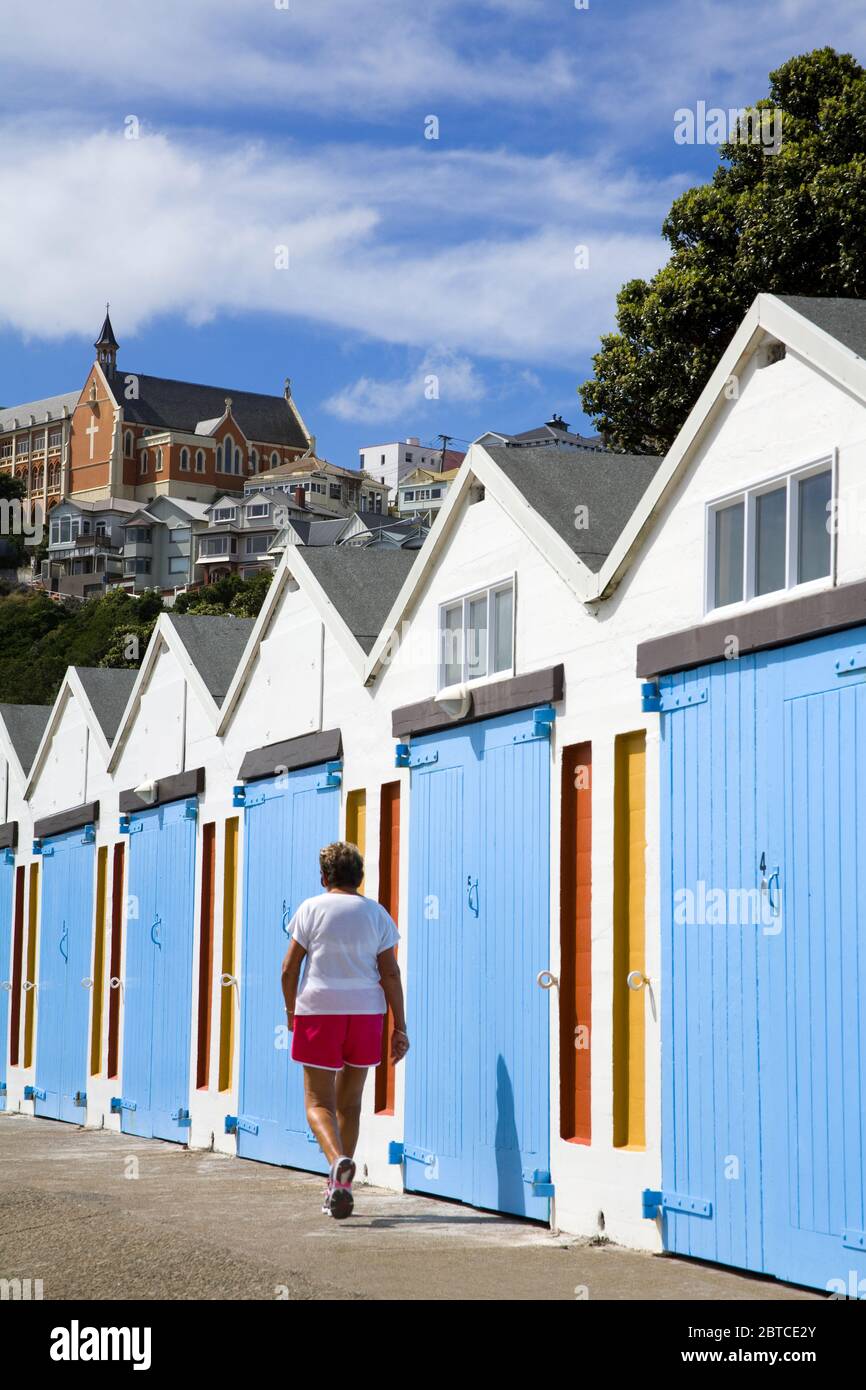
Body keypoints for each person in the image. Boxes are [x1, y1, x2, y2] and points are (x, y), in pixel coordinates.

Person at [281, 841, 409, 1219]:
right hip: (366, 1014)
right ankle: (339, 1185)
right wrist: (399, 1026)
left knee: (318, 1102)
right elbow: (390, 972)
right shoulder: (377, 914)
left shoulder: (310, 909)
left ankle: (337, 1162)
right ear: (361, 877)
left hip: (319, 1011)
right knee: (350, 1103)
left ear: (324, 878)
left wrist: (292, 1011)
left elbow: (289, 969)